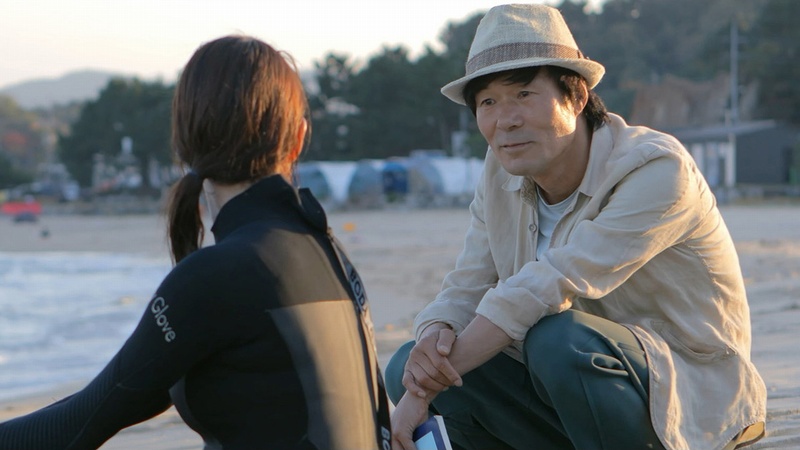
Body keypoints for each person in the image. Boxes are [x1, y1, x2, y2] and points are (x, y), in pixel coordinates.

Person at [385, 4, 767, 450]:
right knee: (404, 364)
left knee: (556, 340)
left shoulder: (656, 170)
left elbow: (550, 283)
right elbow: (466, 286)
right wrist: (434, 336)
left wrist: (422, 390)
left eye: (524, 94)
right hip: (572, 391)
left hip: (687, 393)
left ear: (577, 97)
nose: (505, 119)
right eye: (488, 102)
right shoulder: (500, 172)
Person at [0, 35, 390, 450]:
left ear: (183, 144)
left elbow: (80, 424)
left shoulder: (218, 276)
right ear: (298, 139)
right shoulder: (332, 255)